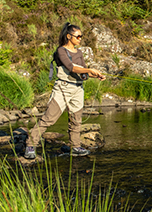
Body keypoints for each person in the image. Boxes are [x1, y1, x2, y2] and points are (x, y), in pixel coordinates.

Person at [24, 22, 106, 159]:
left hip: (78, 89)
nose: (80, 39)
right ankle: (30, 145)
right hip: (63, 88)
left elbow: (83, 72)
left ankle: (75, 147)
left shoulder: (79, 52)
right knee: (48, 119)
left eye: (81, 36)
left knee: (76, 120)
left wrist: (95, 75)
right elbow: (71, 67)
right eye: (78, 36)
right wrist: (89, 70)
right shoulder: (61, 51)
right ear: (69, 36)